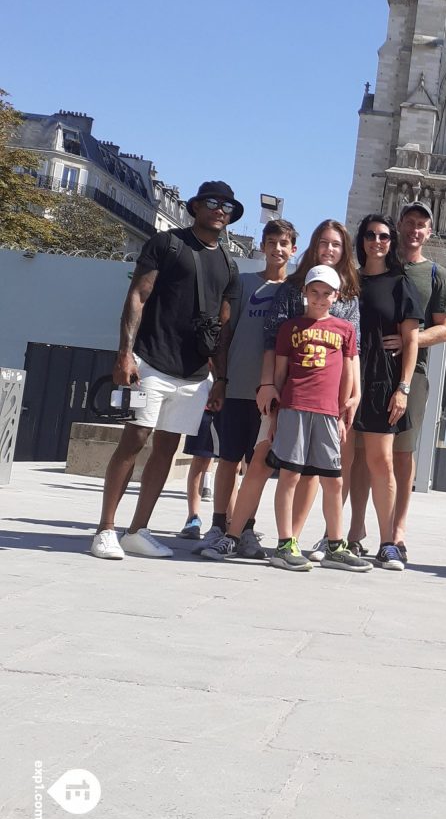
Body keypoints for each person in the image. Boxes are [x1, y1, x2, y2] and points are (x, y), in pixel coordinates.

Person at [90, 181, 242, 560]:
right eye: (212, 202)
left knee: (167, 448)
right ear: (195, 207)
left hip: (193, 374)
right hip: (152, 361)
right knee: (135, 439)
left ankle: (138, 530)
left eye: (227, 204)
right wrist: (125, 354)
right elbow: (138, 295)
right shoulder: (168, 243)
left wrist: (220, 379)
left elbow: (223, 329)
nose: (220, 209)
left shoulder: (228, 263)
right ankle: (105, 529)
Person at [200, 219, 360, 562]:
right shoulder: (292, 288)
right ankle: (232, 533)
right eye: (324, 243)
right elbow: (274, 341)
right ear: (314, 247)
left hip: (325, 403)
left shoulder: (348, 296)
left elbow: (351, 352)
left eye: (336, 244)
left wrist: (354, 394)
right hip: (288, 396)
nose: (329, 249)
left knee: (312, 473)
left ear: (343, 250)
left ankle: (293, 541)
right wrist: (270, 384)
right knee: (262, 460)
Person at [347, 201, 446, 563]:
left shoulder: (437, 274)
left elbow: (445, 329)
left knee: (402, 454)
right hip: (367, 372)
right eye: (409, 222)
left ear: (429, 232)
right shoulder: (383, 271)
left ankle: (397, 532)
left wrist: (409, 339)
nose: (414, 230)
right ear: (399, 227)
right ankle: (356, 530)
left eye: (421, 224)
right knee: (362, 453)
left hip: (412, 373)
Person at [181, 218, 297, 557]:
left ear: (294, 249)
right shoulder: (244, 283)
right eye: (272, 242)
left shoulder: (298, 292)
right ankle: (219, 523)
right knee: (228, 459)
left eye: (284, 243)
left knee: (256, 465)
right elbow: (225, 333)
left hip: (272, 396)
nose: (277, 249)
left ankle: (246, 528)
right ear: (262, 246)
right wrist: (221, 379)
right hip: (235, 389)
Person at [262, 265, 368, 572]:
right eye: (314, 292)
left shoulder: (344, 329)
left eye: (326, 293)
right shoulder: (290, 328)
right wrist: (275, 416)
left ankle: (335, 544)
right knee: (290, 476)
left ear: (336, 296)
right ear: (305, 292)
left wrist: (343, 412)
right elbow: (280, 373)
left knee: (333, 481)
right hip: (294, 406)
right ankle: (285, 543)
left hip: (327, 413)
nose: (320, 299)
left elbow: (348, 373)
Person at [352, 213, 422, 571]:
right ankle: (347, 536)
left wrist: (403, 388)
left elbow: (410, 340)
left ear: (391, 242)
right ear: (361, 240)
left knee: (381, 462)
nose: (376, 241)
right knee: (344, 461)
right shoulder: (347, 280)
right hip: (344, 378)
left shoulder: (400, 283)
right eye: (370, 235)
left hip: (381, 378)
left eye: (383, 236)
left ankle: (387, 542)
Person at [181, 409, 218, 536]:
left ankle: (229, 522)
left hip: (237, 401)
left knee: (233, 463)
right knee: (200, 457)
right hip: (208, 403)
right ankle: (193, 517)